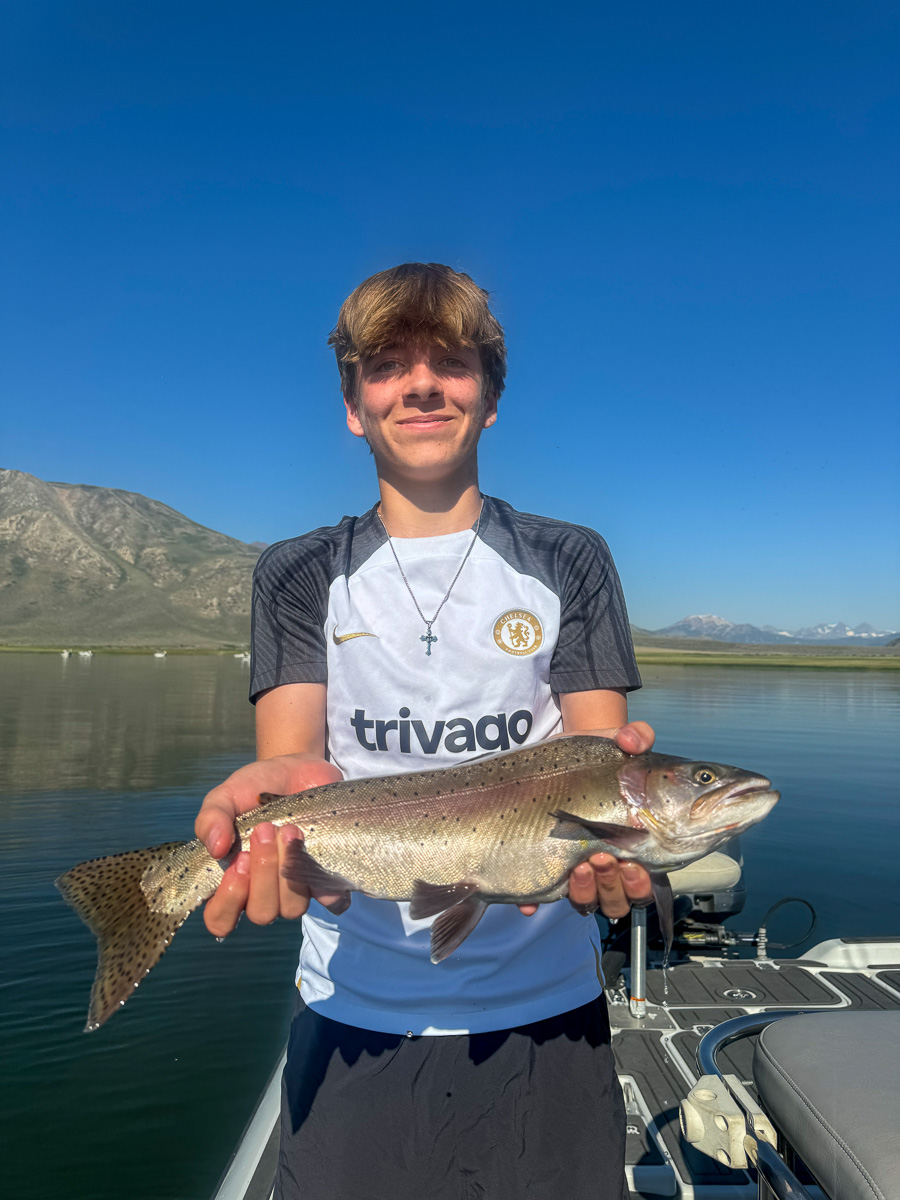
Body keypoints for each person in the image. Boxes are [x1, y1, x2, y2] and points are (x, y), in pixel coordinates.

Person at [196, 262, 656, 1200]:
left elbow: (599, 772)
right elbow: (292, 763)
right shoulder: (296, 573)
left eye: (451, 362)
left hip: (547, 1014)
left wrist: (616, 855)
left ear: (489, 398)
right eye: (388, 365)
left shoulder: (571, 559)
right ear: (354, 407)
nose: (421, 384)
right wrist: (264, 807)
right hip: (353, 1009)